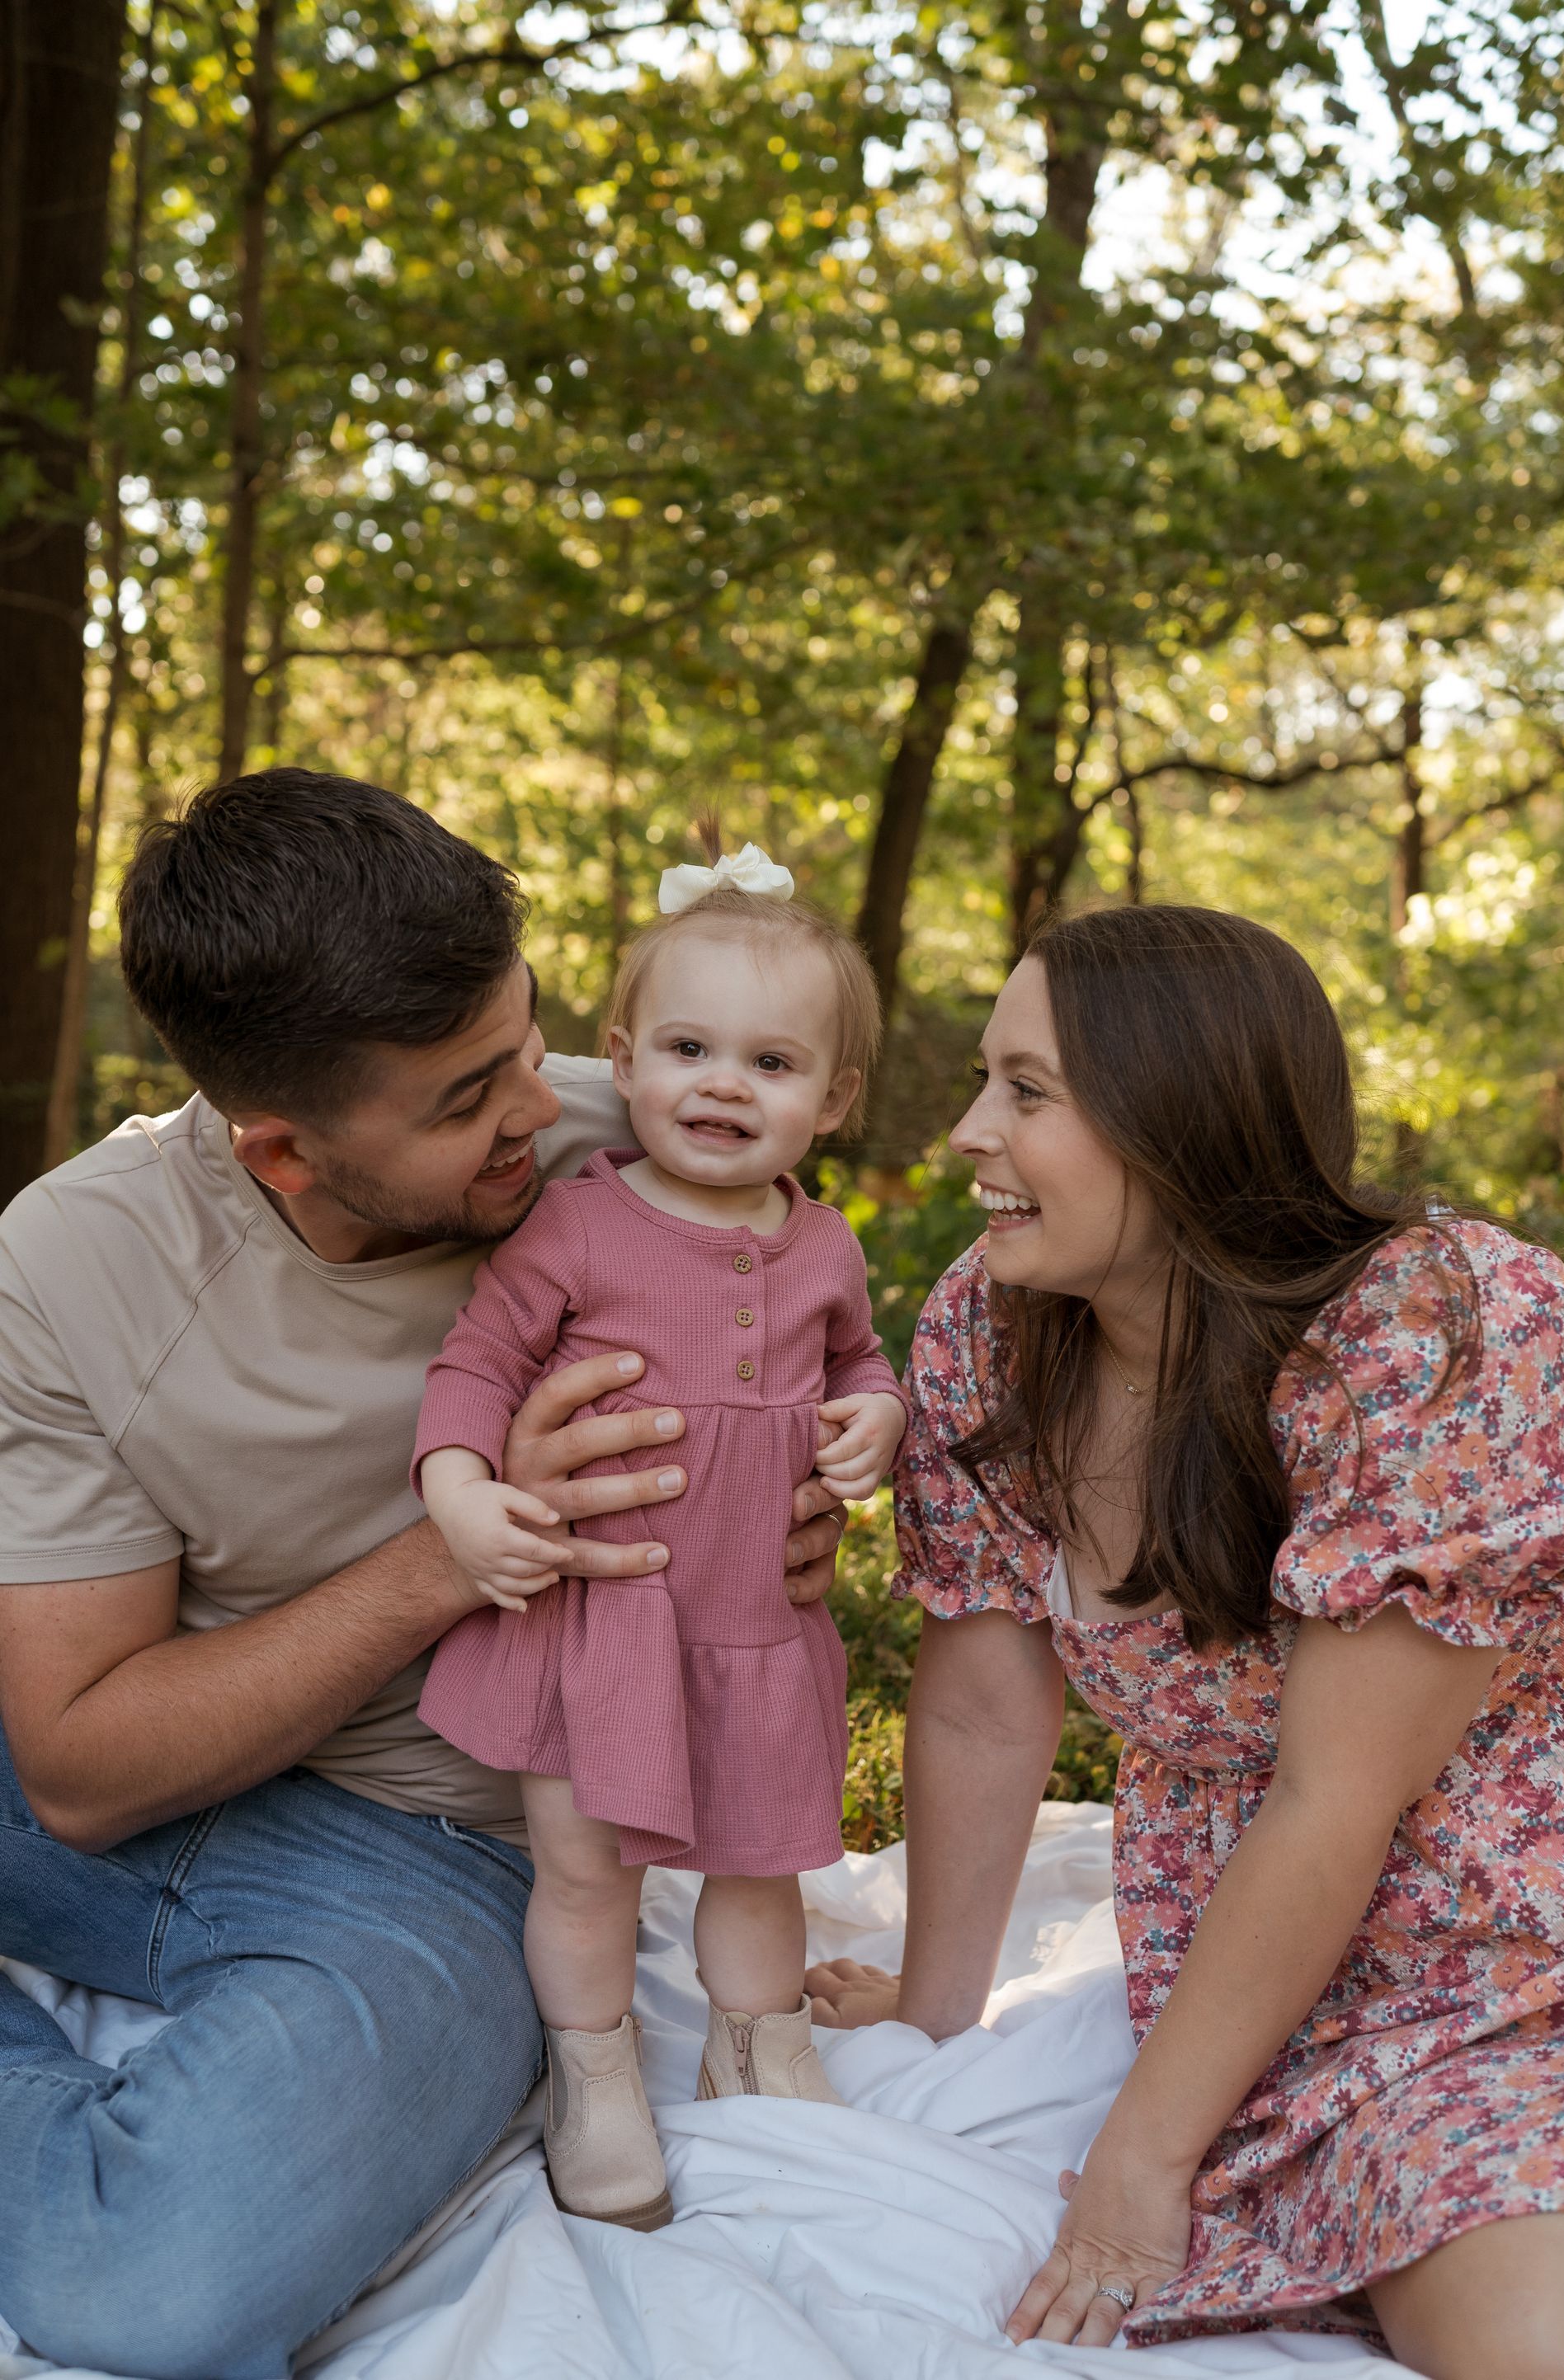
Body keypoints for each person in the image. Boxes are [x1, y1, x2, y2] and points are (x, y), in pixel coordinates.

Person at [0, 769, 848, 2380]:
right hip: (139, 1796)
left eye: (527, 1040)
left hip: (449, 1851)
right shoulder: (72, 1269)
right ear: (284, 1147)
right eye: (466, 1098)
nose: (540, 1105)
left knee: (157, 2288)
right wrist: (455, 1557)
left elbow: (814, 1372)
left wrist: (797, 1505)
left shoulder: (652, 1145)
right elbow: (84, 1774)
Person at [808, 905, 1564, 2380]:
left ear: (1184, 1121)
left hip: (1517, 1958)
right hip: (1265, 1987)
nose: (969, 1129)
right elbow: (982, 1703)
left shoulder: (1445, 1330)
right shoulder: (993, 1322)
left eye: (1026, 1091)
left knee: (1531, 2346)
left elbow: (1335, 1798)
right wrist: (931, 2015)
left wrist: (1135, 2170)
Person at [415, 842, 907, 2230]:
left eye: (771, 1062)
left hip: (759, 1620)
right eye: (689, 1047)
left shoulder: (825, 1247)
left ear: (834, 1099)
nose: (723, 1085)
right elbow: (472, 1370)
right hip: (604, 1622)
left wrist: (881, 1418)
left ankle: (761, 2048)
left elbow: (861, 1362)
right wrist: (460, 1493)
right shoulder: (576, 1225)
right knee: (585, 1871)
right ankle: (595, 2070)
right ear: (621, 1061)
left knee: (762, 1862)